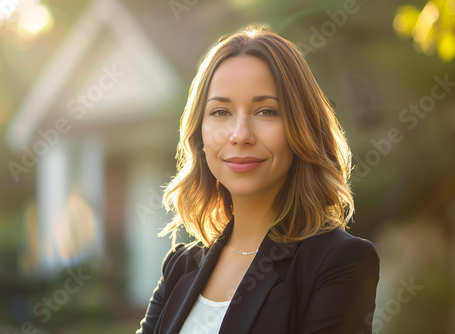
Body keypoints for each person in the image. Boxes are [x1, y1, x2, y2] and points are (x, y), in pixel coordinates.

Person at [136, 24, 380, 334]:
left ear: (301, 128)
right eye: (221, 112)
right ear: (199, 133)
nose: (240, 135)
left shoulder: (339, 262)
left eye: (265, 111)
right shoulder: (179, 268)